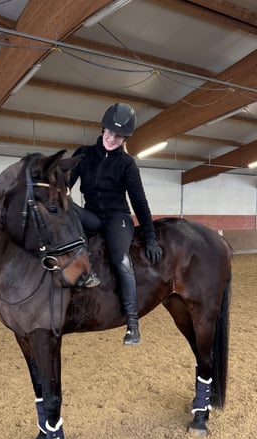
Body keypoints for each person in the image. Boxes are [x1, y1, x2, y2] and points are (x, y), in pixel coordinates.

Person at [69, 103, 163, 345]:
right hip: (91, 215)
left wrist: (151, 237)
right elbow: (65, 185)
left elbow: (139, 202)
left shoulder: (127, 164)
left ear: (124, 138)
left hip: (117, 218)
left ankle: (132, 323)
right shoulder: (83, 154)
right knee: (63, 208)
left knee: (120, 259)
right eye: (110, 133)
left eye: (119, 136)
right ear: (103, 129)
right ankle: (80, 273)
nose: (113, 139)